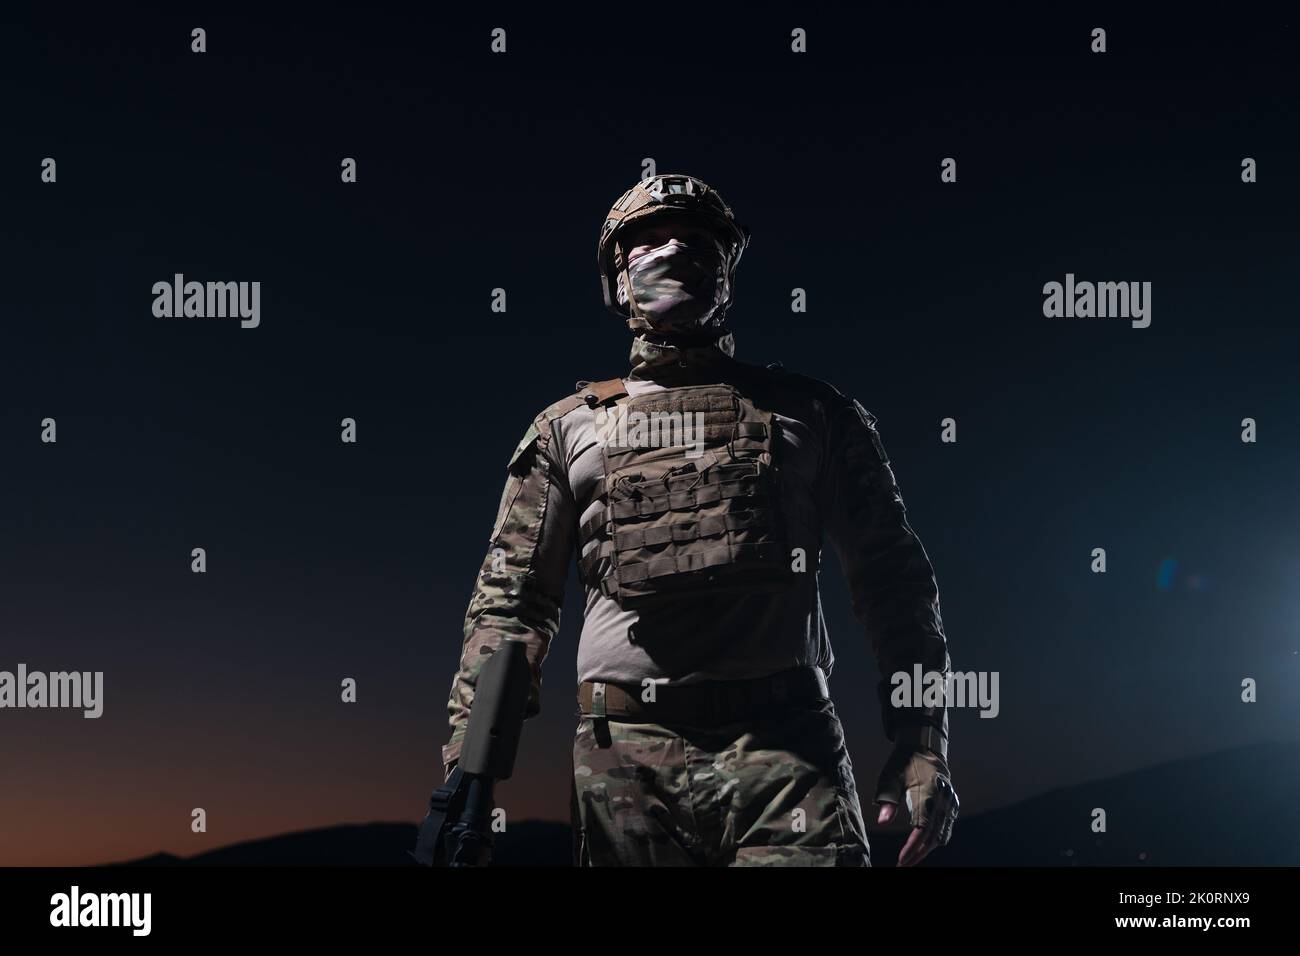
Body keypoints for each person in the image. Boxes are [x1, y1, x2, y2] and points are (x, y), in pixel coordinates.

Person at [442, 173, 958, 866]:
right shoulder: (567, 431)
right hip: (624, 765)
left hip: (788, 755)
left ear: (726, 270)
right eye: (648, 238)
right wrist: (469, 770)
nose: (675, 246)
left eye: (698, 237)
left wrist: (924, 739)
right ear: (617, 279)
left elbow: (894, 582)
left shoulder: (813, 414)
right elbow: (511, 610)